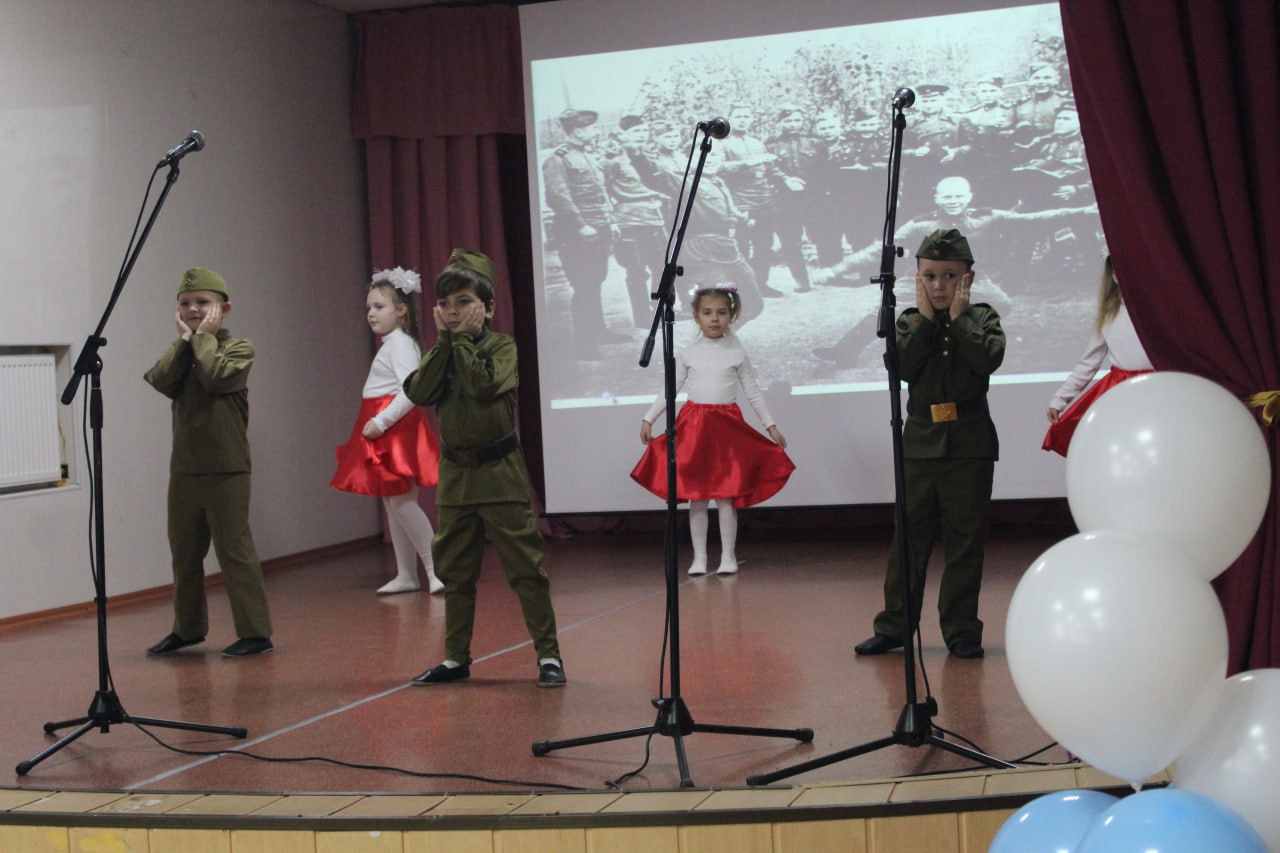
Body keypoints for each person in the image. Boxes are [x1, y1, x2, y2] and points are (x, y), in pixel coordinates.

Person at [403, 249, 565, 688]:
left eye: (464, 303)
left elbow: (482, 385)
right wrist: (444, 344)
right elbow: (419, 391)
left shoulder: (502, 347)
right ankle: (456, 658)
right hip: (457, 480)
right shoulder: (442, 350)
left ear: (489, 308)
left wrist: (457, 343)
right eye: (444, 304)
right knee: (455, 572)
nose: (452, 313)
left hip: (500, 475)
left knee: (526, 570)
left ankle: (548, 655)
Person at [854, 229, 1004, 660]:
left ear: (967, 279)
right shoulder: (908, 322)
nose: (940, 286)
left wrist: (959, 320)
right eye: (930, 276)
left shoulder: (983, 319)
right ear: (917, 279)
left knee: (964, 541)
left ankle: (961, 631)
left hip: (969, 447)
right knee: (909, 540)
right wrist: (921, 318)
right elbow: (900, 367)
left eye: (950, 276)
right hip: (919, 445)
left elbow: (987, 359)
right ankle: (895, 626)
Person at [143, 268, 273, 658]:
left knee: (234, 551)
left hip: (227, 468)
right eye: (185, 304)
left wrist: (201, 339)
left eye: (203, 303)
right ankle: (188, 628)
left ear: (225, 308)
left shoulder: (239, 348)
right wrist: (186, 341)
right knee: (183, 553)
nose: (193, 309)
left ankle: (256, 632)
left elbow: (216, 377)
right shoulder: (185, 350)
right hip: (185, 468)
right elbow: (161, 380)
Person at [631, 283, 795, 575]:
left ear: (732, 316)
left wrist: (770, 425)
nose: (715, 318)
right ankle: (699, 558)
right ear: (696, 316)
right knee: (697, 496)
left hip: (727, 429)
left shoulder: (737, 354)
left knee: (725, 496)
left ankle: (728, 556)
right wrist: (649, 418)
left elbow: (753, 392)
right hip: (694, 429)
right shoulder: (688, 354)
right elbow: (670, 389)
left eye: (721, 312)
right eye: (707, 313)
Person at [331, 266, 443, 595]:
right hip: (382, 428)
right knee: (392, 504)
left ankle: (436, 569)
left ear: (401, 310)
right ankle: (406, 573)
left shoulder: (401, 345)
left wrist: (381, 422)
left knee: (402, 502)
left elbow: (411, 389)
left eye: (378, 307)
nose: (371, 313)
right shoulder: (391, 344)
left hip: (394, 429)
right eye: (368, 307)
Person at [1042, 255, 1153, 456]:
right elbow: (1088, 362)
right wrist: (1060, 399)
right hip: (1122, 392)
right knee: (1123, 444)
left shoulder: (1156, 311)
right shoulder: (1109, 315)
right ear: (1114, 277)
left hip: (1156, 388)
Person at [541, 107, 622, 358]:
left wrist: (611, 221)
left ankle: (599, 332)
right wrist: (580, 225)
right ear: (577, 130)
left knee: (596, 280)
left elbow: (601, 192)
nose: (596, 132)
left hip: (599, 227)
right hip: (577, 232)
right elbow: (559, 197)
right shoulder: (558, 159)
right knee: (583, 284)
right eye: (592, 128)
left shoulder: (587, 156)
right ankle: (585, 345)